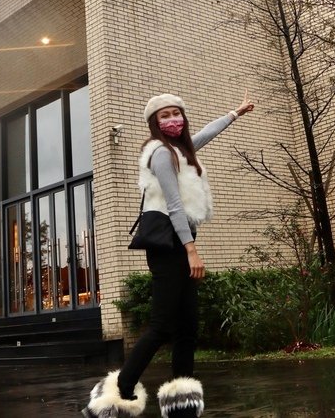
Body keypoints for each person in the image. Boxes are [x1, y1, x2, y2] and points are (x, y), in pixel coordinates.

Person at [82, 91, 254, 418]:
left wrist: (235, 113)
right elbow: (175, 206)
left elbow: (204, 134)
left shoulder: (180, 151)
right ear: (154, 123)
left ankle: (181, 400)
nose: (173, 119)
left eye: (177, 113)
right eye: (165, 116)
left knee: (187, 326)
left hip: (180, 244)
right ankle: (114, 398)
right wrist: (192, 250)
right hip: (170, 248)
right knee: (162, 326)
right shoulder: (161, 153)